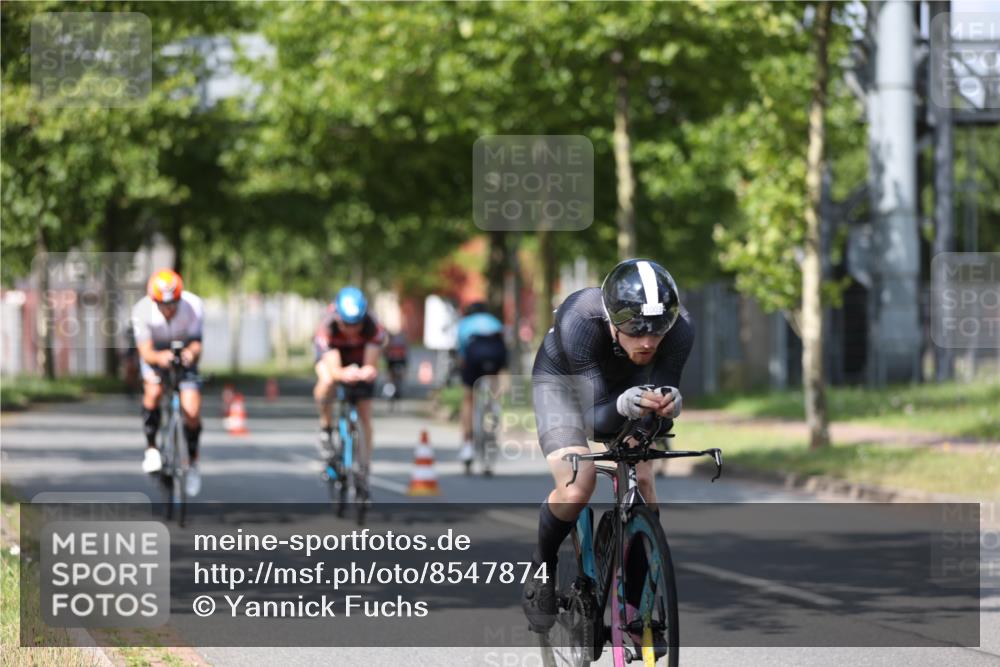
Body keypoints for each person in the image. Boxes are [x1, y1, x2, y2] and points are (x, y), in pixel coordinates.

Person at [521, 259, 694, 633]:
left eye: (657, 331)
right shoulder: (580, 318)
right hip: (564, 388)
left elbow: (660, 415)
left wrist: (668, 404)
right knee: (578, 484)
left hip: (624, 389)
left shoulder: (680, 330)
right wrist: (622, 405)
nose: (648, 341)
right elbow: (592, 417)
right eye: (634, 330)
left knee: (643, 479)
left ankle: (636, 603)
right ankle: (542, 568)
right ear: (613, 319)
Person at [131, 268, 205, 497]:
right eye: (163, 304)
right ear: (154, 301)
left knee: (191, 409)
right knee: (152, 392)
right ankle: (151, 448)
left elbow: (197, 344)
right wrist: (159, 359)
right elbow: (145, 352)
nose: (169, 309)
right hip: (155, 355)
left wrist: (190, 355)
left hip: (183, 354)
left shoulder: (193, 306)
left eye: (173, 303)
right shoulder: (142, 311)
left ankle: (192, 463)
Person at [313, 286, 385, 473]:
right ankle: (326, 429)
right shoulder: (327, 327)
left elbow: (371, 364)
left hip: (359, 357)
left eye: (357, 324)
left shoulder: (372, 327)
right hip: (334, 358)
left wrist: (367, 372)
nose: (352, 330)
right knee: (327, 380)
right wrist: (342, 374)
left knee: (365, 413)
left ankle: (364, 466)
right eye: (347, 324)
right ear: (338, 318)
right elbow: (334, 369)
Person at [455, 301, 507, 468]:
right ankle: (494, 407)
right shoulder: (494, 321)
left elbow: (462, 354)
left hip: (474, 354)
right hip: (496, 353)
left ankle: (468, 444)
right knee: (493, 388)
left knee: (468, 398)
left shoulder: (465, 323)